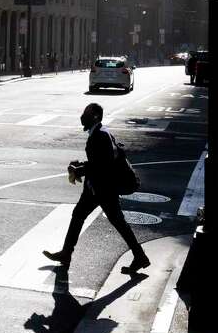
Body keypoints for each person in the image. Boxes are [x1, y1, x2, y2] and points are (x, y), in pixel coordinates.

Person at [43, 103, 150, 274]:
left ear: (95, 116)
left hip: (104, 189)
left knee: (116, 221)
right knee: (80, 215)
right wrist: (80, 165)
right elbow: (98, 161)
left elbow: (104, 165)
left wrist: (81, 169)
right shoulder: (99, 133)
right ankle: (66, 253)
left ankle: (139, 256)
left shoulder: (101, 135)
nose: (82, 116)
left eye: (86, 113)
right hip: (96, 188)